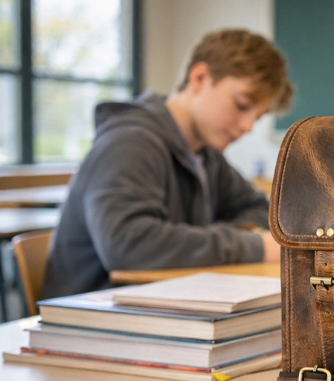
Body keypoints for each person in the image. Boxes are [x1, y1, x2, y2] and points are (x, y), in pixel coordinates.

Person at [41, 29, 292, 299]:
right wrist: (253, 246)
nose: (247, 126)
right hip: (94, 319)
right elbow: (128, 245)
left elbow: (260, 210)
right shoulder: (129, 142)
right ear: (200, 78)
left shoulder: (206, 155)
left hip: (161, 305)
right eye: (242, 105)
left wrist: (208, 238)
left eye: (258, 116)